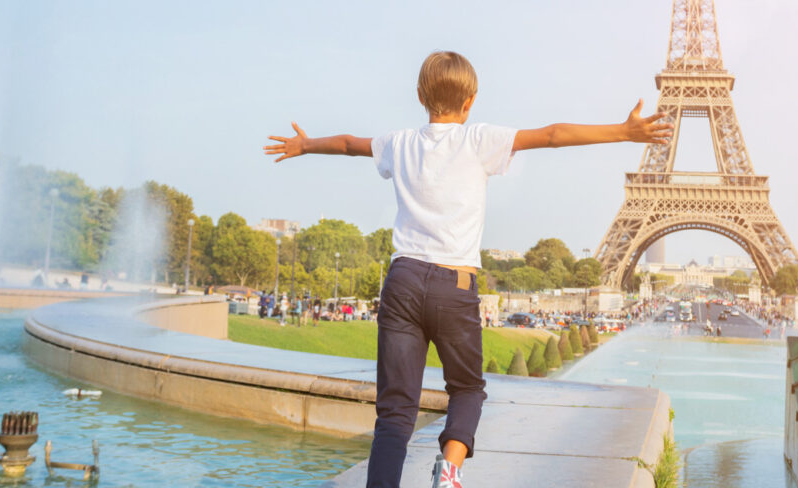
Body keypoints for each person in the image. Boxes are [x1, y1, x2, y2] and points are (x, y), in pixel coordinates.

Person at [264, 50, 670, 488]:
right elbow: (553, 135)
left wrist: (305, 145)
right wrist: (624, 132)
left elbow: (348, 144)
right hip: (453, 286)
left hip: (401, 280)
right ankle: (449, 469)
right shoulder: (478, 140)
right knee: (467, 389)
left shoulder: (399, 143)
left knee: (395, 411)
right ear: (470, 101)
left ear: (420, 95)